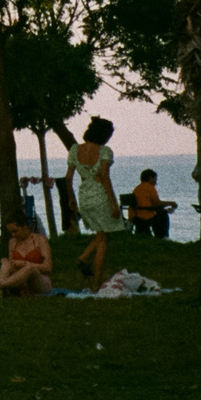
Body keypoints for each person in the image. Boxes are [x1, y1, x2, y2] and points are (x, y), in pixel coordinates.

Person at [69, 116, 121, 287]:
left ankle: (84, 257)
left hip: (84, 195)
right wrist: (114, 204)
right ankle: (96, 284)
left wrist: (71, 200)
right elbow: (105, 177)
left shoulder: (75, 150)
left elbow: (68, 177)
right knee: (103, 241)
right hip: (100, 195)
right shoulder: (105, 151)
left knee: (100, 234)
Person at [0, 218, 52, 296]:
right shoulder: (12, 242)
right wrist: (7, 263)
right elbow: (12, 265)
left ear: (25, 227)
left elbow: (48, 267)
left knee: (29, 267)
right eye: (11, 232)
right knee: (6, 263)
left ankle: (0, 286)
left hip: (38, 280)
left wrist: (25, 263)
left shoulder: (40, 240)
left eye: (15, 231)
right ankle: (1, 290)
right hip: (19, 280)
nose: (13, 234)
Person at [125, 170, 174, 239]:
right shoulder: (150, 188)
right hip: (145, 216)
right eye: (155, 179)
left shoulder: (137, 188)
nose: (156, 181)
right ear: (151, 178)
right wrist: (171, 203)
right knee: (163, 215)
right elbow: (157, 203)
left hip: (135, 216)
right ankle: (163, 237)